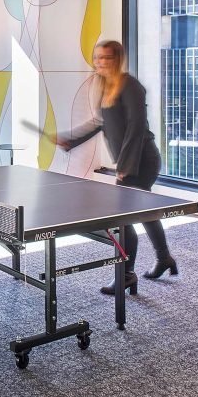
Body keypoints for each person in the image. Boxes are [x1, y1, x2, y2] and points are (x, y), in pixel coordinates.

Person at [55, 39, 177, 296]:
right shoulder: (107, 87)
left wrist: (125, 166)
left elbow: (135, 128)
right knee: (142, 211)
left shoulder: (131, 86)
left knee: (123, 219)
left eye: (106, 57)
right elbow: (102, 123)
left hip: (142, 160)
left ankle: (126, 274)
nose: (99, 62)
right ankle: (163, 258)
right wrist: (71, 140)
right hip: (131, 160)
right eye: (97, 57)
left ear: (117, 59)